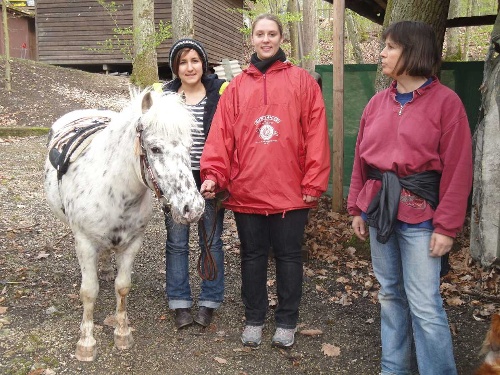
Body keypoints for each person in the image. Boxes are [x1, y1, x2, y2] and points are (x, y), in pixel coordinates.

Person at [347, 21, 472, 375]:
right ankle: (394, 369)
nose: (382, 53)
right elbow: (360, 159)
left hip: (421, 216)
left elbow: (458, 169)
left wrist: (446, 226)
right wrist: (356, 206)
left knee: (424, 304)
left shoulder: (447, 103)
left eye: (390, 46)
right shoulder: (376, 103)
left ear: (413, 52)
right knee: (390, 296)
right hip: (378, 209)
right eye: (383, 46)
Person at [199, 14, 330, 349]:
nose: (266, 39)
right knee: (252, 256)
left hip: (292, 191)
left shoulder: (303, 82)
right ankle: (254, 317)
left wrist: (313, 182)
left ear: (281, 37)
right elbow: (221, 137)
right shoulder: (236, 87)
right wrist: (213, 174)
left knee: (289, 256)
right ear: (252, 39)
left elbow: (316, 135)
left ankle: (286, 321)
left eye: (272, 34)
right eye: (260, 34)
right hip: (247, 191)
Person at [163, 38, 227, 329]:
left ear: (204, 63)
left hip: (209, 177)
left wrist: (217, 176)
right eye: (183, 62)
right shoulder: (165, 99)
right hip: (177, 179)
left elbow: (228, 138)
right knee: (177, 242)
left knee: (210, 240)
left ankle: (210, 300)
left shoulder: (219, 94)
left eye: (195, 61)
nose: (190, 67)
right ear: (176, 68)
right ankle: (180, 301)